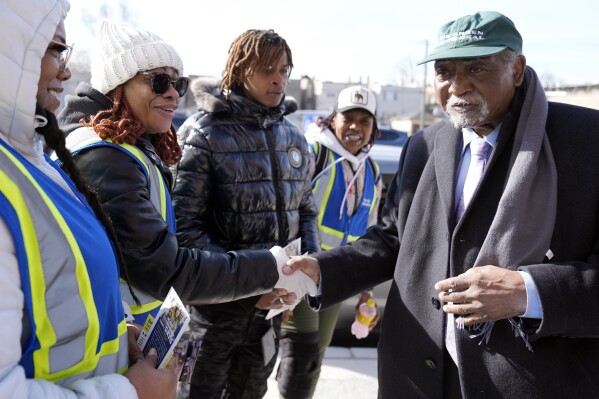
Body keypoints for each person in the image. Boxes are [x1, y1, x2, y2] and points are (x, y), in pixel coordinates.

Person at [285, 11, 599, 398]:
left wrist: (528, 290)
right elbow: (394, 240)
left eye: (477, 69)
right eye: (444, 71)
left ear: (516, 69)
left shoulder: (587, 142)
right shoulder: (425, 145)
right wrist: (319, 270)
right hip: (414, 378)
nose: (457, 85)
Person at [57, 20, 305, 328]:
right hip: (108, 335)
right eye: (159, 81)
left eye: (179, 84)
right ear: (117, 83)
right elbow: (167, 268)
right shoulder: (103, 156)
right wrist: (270, 267)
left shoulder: (128, 146)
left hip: (129, 330)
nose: (174, 94)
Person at [0, 1, 178, 397]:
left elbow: (61, 290)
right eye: (55, 49)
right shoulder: (96, 155)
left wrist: (116, 333)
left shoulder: (33, 163)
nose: (66, 70)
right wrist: (129, 392)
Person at [171, 29, 320, 399]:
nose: (279, 79)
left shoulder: (294, 138)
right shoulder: (202, 133)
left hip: (268, 315)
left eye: (284, 69)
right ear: (239, 71)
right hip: (210, 316)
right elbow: (185, 229)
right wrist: (249, 291)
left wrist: (298, 281)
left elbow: (306, 210)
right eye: (267, 69)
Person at [277, 86, 383, 399]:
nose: (355, 127)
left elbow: (371, 233)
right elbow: (285, 210)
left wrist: (367, 291)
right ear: (332, 119)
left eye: (365, 121)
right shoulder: (313, 153)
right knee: (300, 352)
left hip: (337, 277)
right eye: (348, 117)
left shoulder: (371, 170)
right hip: (299, 273)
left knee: (315, 356)